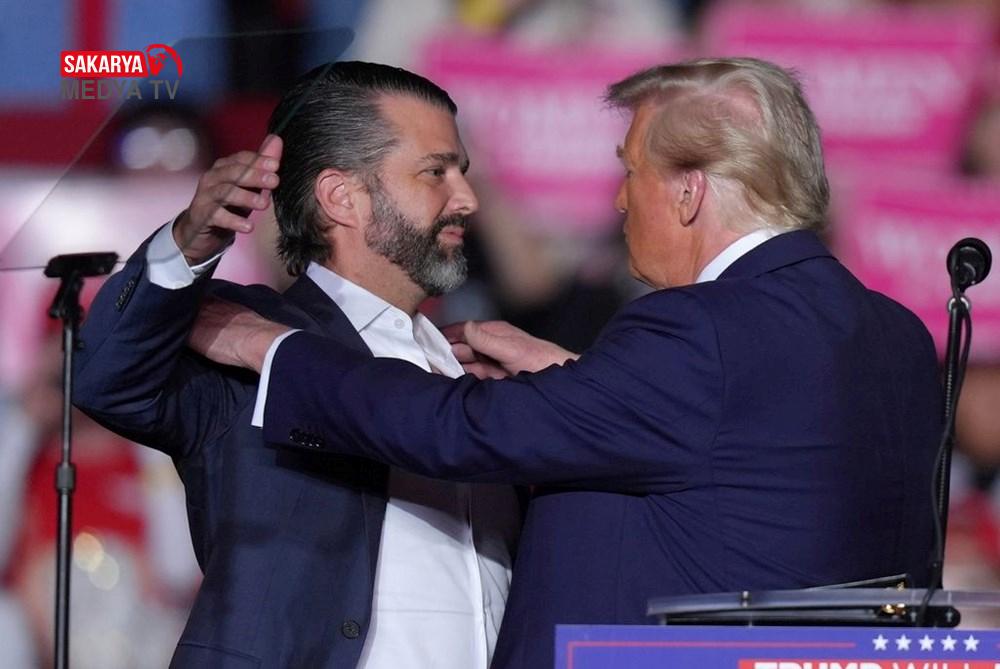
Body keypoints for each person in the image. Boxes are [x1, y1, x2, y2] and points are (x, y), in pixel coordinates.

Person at [189, 57, 943, 669]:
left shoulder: (696, 331)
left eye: (630, 171)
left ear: (689, 193)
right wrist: (577, 377)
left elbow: (459, 431)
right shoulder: (897, 334)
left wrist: (271, 348)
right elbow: (737, 464)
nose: (619, 202)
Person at [73, 61, 521, 669]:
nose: (467, 199)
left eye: (462, 172)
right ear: (342, 197)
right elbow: (106, 377)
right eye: (435, 172)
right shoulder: (242, 339)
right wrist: (186, 247)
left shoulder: (479, 365)